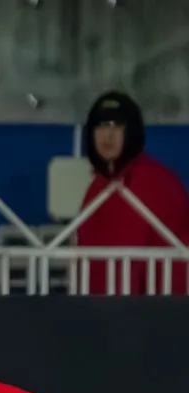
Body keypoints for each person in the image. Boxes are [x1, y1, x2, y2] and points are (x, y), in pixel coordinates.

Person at [77, 90, 189, 295]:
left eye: (117, 126)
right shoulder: (97, 187)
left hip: (153, 315)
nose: (107, 135)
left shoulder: (159, 183)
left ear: (132, 131)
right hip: (99, 315)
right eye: (100, 125)